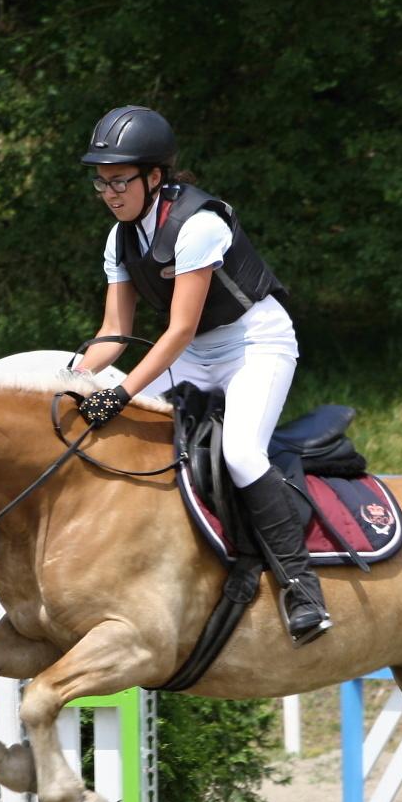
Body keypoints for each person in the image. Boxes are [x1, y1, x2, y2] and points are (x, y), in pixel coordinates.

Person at [70, 104, 330, 646]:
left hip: (254, 343)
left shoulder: (198, 224)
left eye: (119, 180)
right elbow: (114, 331)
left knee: (241, 453)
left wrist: (120, 391)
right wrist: (68, 377)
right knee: (117, 432)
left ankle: (302, 589)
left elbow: (179, 329)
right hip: (192, 353)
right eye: (101, 182)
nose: (109, 193)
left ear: (154, 176)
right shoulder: (120, 239)